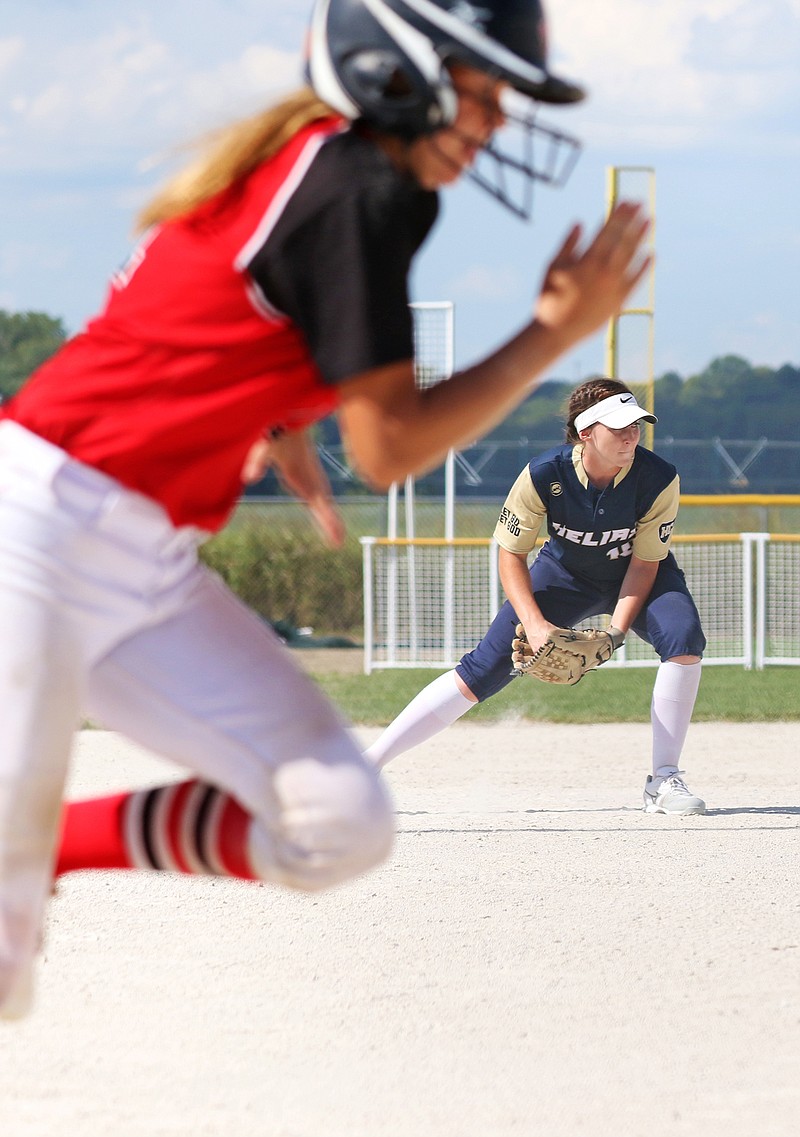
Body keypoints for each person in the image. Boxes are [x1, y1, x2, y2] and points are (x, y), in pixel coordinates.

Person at [0, 0, 651, 1020]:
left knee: (340, 821)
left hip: (142, 562)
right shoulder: (355, 186)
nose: (492, 121)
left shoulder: (345, 177)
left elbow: (227, 319)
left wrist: (277, 411)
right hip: (34, 534)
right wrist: (548, 335)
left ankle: (47, 845)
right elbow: (388, 448)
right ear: (396, 72)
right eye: (478, 89)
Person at [365, 377, 707, 815]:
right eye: (618, 426)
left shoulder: (658, 477)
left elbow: (644, 564)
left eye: (636, 424)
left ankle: (663, 780)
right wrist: (537, 623)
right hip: (564, 575)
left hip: (638, 573)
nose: (631, 434)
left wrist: (615, 634)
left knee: (683, 638)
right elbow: (511, 555)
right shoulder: (545, 473)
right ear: (586, 433)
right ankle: (369, 764)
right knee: (482, 669)